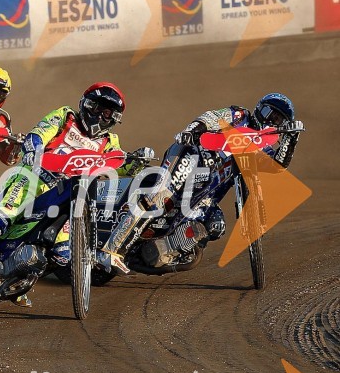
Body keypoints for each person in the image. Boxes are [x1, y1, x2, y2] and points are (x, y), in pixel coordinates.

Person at [0, 82, 153, 306]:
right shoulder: (65, 117)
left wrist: (137, 160)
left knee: (62, 254)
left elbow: (119, 165)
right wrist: (33, 146)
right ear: (85, 105)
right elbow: (39, 133)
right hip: (33, 180)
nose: (99, 116)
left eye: (107, 113)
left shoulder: (109, 142)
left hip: (66, 196)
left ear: (114, 118)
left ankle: (13, 279)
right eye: (96, 108)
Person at [99, 93, 304, 272]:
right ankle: (112, 249)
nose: (271, 121)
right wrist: (193, 129)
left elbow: (277, 166)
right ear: (260, 109)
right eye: (270, 113)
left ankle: (162, 251)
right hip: (192, 155)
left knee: (215, 225)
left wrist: (291, 139)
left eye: (278, 121)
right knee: (160, 195)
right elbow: (211, 117)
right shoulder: (240, 116)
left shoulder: (262, 147)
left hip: (204, 195)